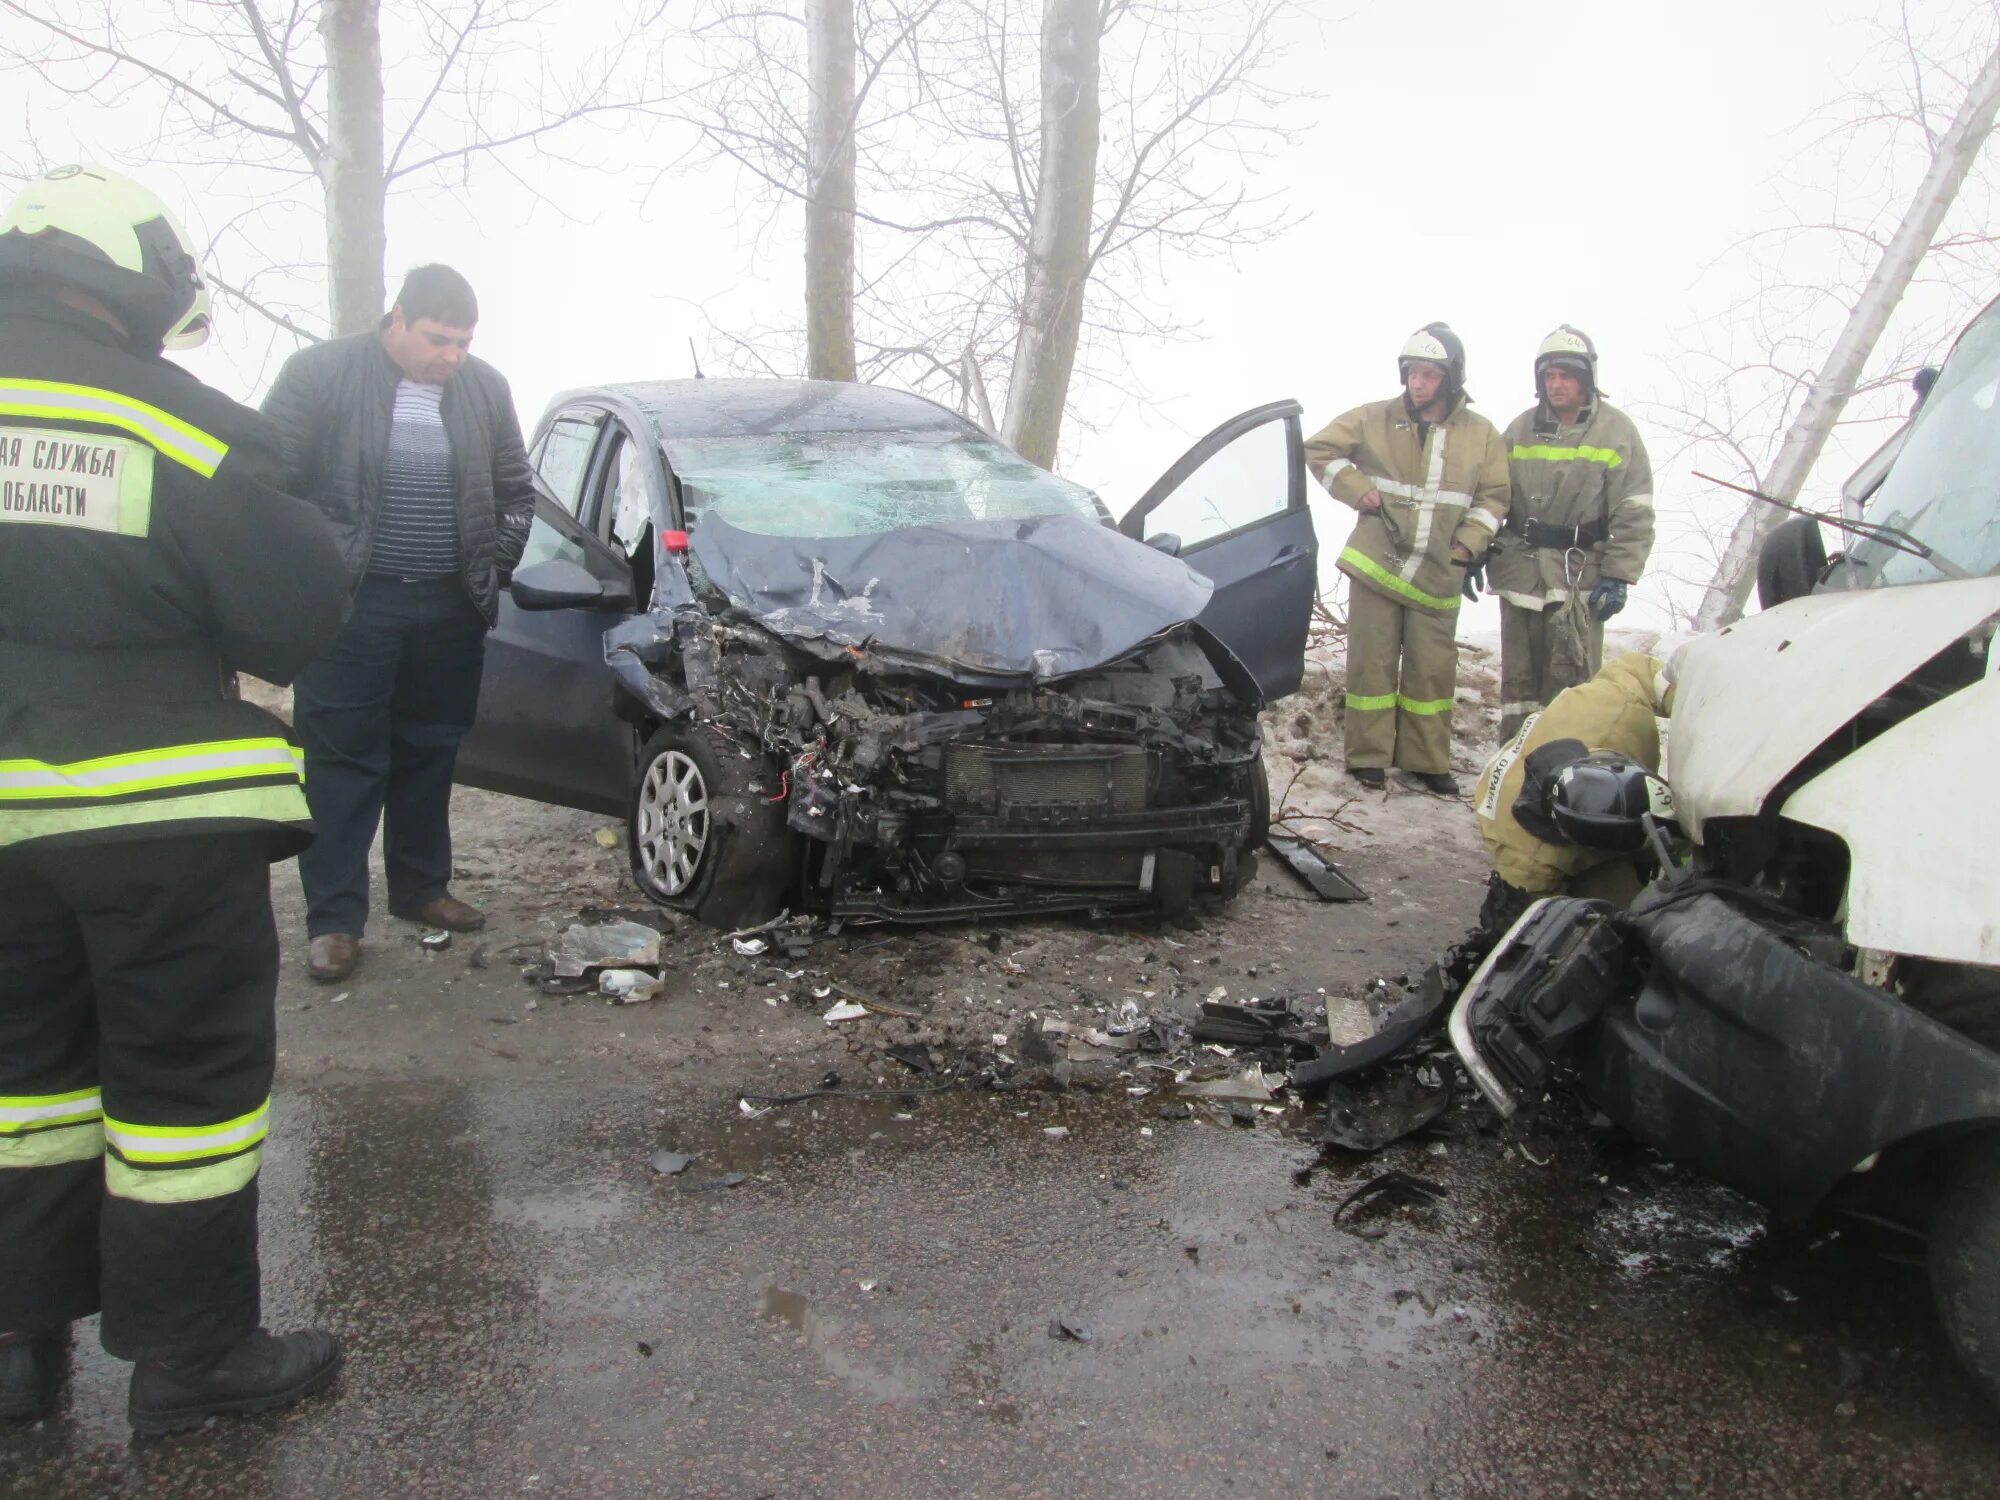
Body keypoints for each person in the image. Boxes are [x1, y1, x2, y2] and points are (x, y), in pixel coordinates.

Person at [0, 164, 350, 1431]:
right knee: (181, 1087)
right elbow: (297, 613)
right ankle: (190, 1359)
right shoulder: (176, 421)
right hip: (152, 820)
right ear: (139, 284)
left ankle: (13, 1346)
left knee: (18, 1081)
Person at [262, 264, 535, 983]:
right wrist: (315, 573)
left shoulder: (485, 389)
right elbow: (267, 485)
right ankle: (334, 921)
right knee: (343, 760)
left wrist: (491, 567)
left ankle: (420, 890)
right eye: (439, 339)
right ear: (398, 320)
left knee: (430, 749)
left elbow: (515, 492)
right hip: (351, 605)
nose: (451, 356)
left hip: (448, 605)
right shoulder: (321, 374)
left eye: (464, 343)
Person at [1306, 323, 1510, 795]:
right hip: (1378, 563)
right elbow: (1319, 448)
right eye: (1412, 373)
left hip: (1440, 572)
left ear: (1452, 378)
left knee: (1432, 670)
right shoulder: (1374, 417)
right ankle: (1367, 758)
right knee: (1370, 665)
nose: (1417, 384)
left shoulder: (1481, 435)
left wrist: (1467, 545)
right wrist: (1358, 491)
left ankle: (1425, 759)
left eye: (1429, 375)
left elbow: (1496, 496)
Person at [1474, 326, 1655, 737]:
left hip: (1579, 575)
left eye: (1565, 376)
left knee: (1572, 676)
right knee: (1519, 680)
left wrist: (1619, 574)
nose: (1556, 385)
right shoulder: (1520, 429)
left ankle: (1570, 766)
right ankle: (1515, 759)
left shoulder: (1616, 432)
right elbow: (1491, 494)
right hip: (1520, 567)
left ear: (1586, 378)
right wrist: (1474, 548)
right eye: (1549, 376)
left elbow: (1635, 509)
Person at [1467, 650, 1674, 949]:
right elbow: (1520, 895)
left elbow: (1639, 670)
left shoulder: (1614, 690)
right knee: (1610, 925)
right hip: (1530, 825)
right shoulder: (1534, 852)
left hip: (1522, 791)